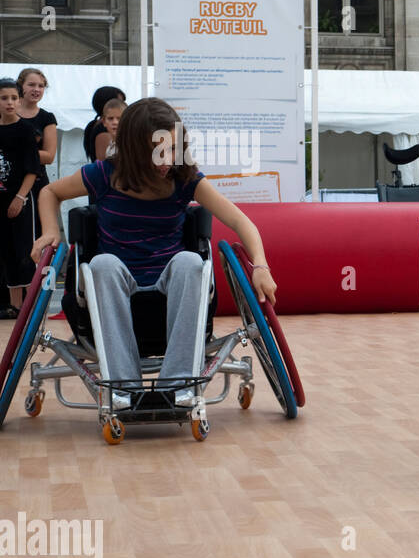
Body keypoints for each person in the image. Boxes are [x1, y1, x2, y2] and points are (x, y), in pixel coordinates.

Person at [30, 98, 279, 409]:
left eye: (172, 148)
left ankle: (178, 387)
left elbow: (241, 221)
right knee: (102, 264)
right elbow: (49, 192)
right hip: (116, 281)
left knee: (191, 261)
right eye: (156, 151)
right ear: (133, 151)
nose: (166, 160)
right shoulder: (104, 175)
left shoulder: (185, 181)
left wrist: (261, 266)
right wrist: (51, 232)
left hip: (169, 282)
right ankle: (123, 387)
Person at [0, 77, 42, 317]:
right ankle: (15, 307)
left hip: (20, 199)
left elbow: (32, 169)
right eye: (4, 98)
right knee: (7, 253)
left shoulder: (26, 131)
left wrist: (20, 197)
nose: (9, 103)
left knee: (24, 251)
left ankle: (30, 306)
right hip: (1, 200)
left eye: (14, 98)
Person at [16, 68, 58, 170]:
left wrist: (12, 151)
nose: (36, 89)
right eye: (31, 85)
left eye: (41, 86)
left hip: (37, 180)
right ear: (20, 86)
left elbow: (49, 157)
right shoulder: (5, 112)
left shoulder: (47, 118)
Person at [83, 86, 125, 162]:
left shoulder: (98, 124)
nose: (122, 105)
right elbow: (104, 161)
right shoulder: (103, 129)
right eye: (119, 102)